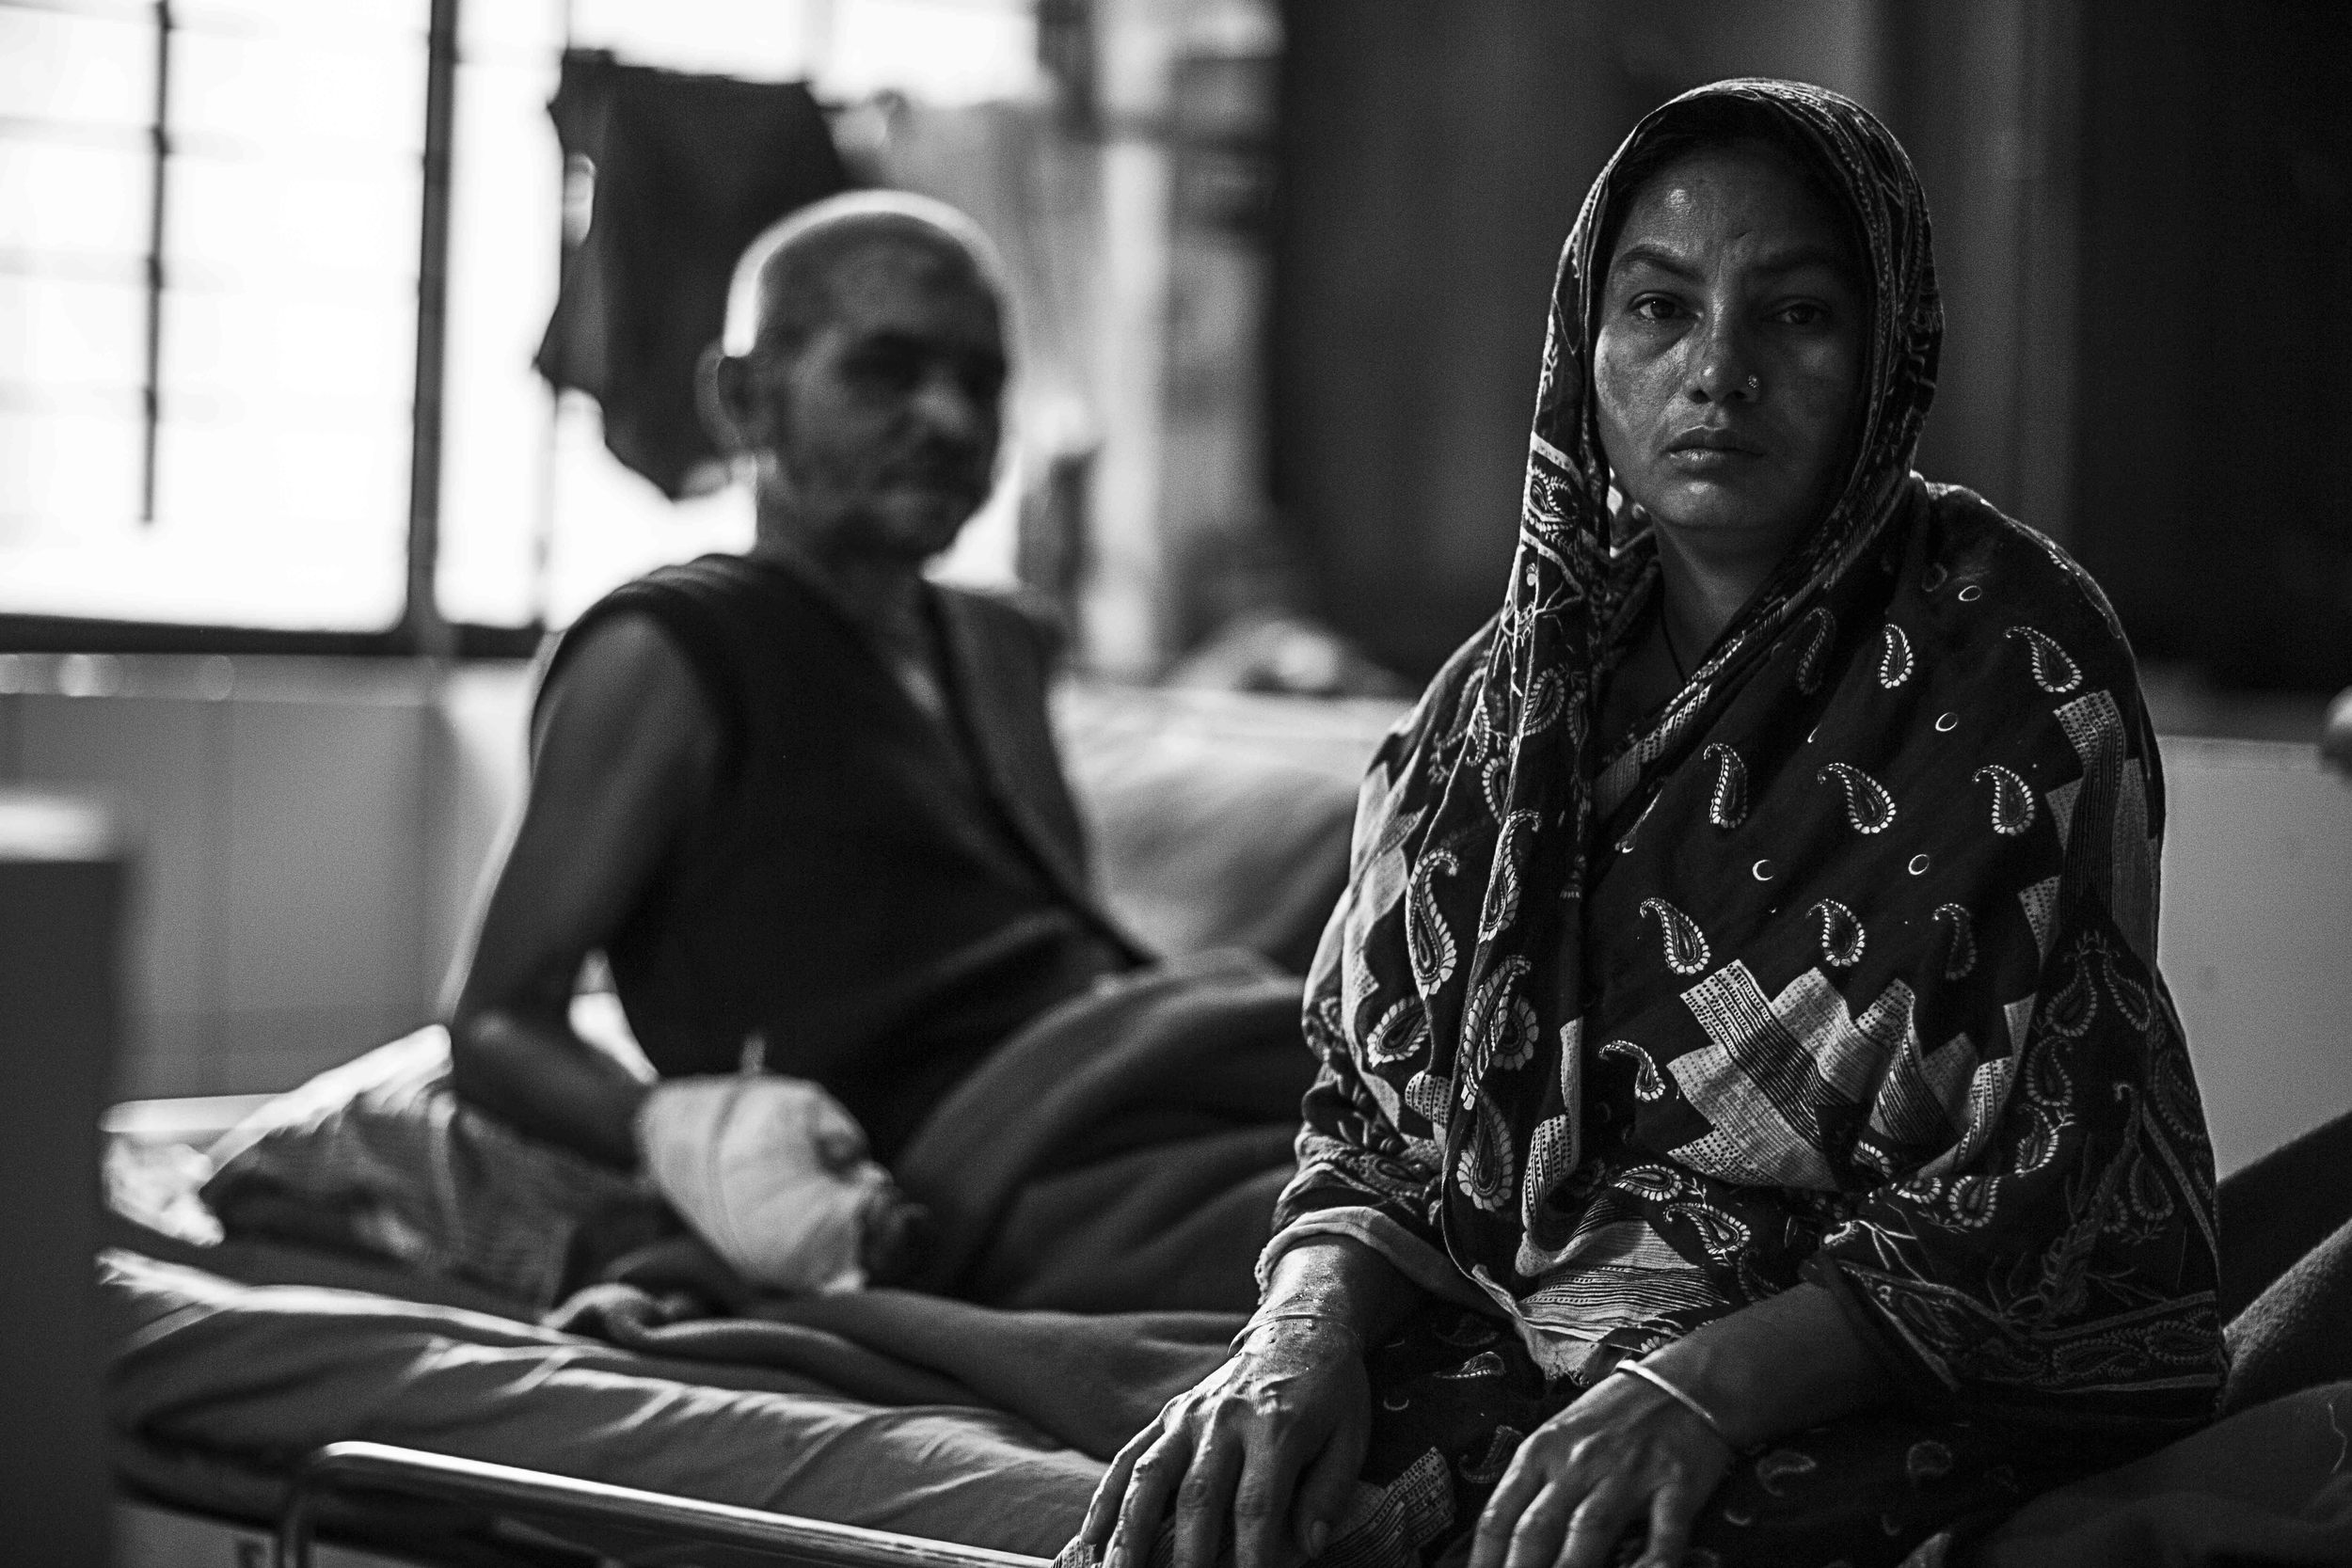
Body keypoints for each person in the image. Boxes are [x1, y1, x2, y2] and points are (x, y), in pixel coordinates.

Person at [1078, 79, 2224, 1568]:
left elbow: (2028, 1189)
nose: (1718, 371)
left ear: (1890, 347)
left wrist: (1696, 1385)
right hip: (1534, 1326)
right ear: (1585, 341)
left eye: (1797, 314)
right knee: (1219, 1508)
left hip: (1898, 1347)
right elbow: (1371, 1123)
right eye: (1662, 308)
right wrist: (1292, 1337)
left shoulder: (2012, 655)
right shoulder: (1501, 698)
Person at [450, 192, 1139, 1203]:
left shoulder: (1005, 639)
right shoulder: (669, 650)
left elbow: (1062, 949)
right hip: (985, 1175)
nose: (949, 419)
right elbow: (496, 1023)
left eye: (980, 382)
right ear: (744, 398)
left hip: (1132, 1087)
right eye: (886, 370)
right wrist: (700, 1144)